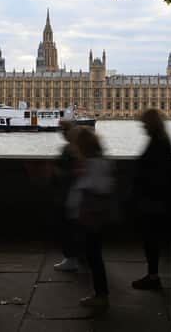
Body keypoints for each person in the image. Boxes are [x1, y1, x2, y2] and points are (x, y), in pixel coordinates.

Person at [66, 126, 115, 308]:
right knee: (92, 256)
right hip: (89, 217)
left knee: (94, 257)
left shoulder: (94, 164)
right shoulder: (95, 162)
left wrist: (82, 178)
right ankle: (99, 293)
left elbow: (99, 189)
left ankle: (101, 295)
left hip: (90, 218)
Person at [131, 109, 171, 291]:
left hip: (153, 199)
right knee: (153, 239)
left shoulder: (159, 142)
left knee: (152, 239)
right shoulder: (162, 140)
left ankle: (153, 276)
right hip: (155, 198)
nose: (143, 126)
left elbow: (155, 172)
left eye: (145, 123)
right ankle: (153, 274)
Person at [52, 120, 81, 272]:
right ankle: (78, 256)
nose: (62, 133)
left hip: (68, 193)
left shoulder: (71, 150)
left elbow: (73, 172)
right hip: (71, 193)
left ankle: (71, 258)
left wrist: (58, 172)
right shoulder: (77, 148)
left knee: (67, 227)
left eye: (64, 131)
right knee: (75, 227)